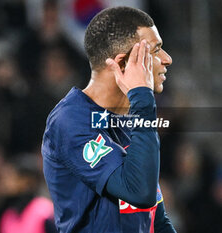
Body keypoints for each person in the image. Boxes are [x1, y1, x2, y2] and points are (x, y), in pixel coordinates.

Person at [42, 6, 175, 233]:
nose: (167, 59)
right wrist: (142, 97)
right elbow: (139, 192)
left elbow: (156, 219)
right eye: (156, 50)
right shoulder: (70, 121)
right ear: (123, 63)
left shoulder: (131, 119)